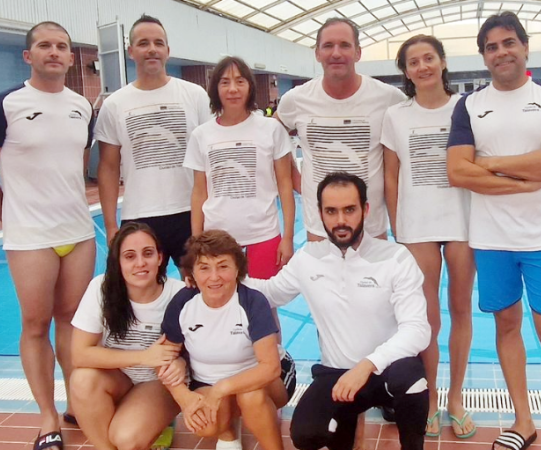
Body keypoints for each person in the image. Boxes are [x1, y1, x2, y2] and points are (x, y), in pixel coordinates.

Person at [447, 12, 541, 450]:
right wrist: (526, 177)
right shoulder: (469, 105)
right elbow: (457, 171)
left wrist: (488, 164)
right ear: (484, 56)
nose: (501, 52)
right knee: (506, 326)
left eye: (508, 43)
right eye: (491, 47)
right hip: (492, 240)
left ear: (525, 47)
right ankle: (524, 422)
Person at [0, 21, 96, 449]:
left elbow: (75, 165)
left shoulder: (82, 106)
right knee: (36, 324)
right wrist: (10, 215)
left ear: (71, 57)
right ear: (28, 55)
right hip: (30, 237)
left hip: (77, 231)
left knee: (73, 320)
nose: (53, 52)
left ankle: (78, 402)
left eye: (61, 46)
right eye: (44, 45)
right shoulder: (2, 106)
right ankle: (47, 416)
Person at [246, 172, 431, 450]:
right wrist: (222, 277)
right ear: (320, 213)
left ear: (365, 210)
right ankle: (345, 433)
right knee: (306, 434)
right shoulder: (308, 258)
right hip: (336, 374)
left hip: (387, 371)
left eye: (349, 210)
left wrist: (367, 365)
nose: (341, 220)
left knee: (412, 381)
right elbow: (271, 293)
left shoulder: (395, 258)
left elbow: (417, 330)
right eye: (331, 211)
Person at [381, 35, 475, 440]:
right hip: (416, 225)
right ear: (406, 71)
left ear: (442, 62)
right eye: (413, 62)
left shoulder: (466, 107)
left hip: (462, 221)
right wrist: (397, 226)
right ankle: (432, 396)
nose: (422, 67)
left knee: (461, 310)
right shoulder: (396, 115)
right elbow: (391, 175)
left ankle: (456, 397)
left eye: (429, 58)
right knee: (427, 318)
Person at [161, 230, 295, 450]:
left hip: (266, 380)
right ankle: (228, 429)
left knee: (250, 396)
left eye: (223, 266)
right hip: (207, 381)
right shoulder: (183, 302)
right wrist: (183, 397)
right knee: (205, 423)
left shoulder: (252, 301)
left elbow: (270, 368)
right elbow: (164, 357)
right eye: (204, 268)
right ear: (192, 272)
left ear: (237, 269)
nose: (214, 277)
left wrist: (221, 389)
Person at [95, 14, 211, 269]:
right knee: (142, 288)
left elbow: (209, 157)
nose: (152, 49)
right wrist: (111, 225)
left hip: (189, 211)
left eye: (158, 43)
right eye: (143, 43)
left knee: (197, 284)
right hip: (139, 215)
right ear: (131, 51)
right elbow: (108, 168)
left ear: (167, 51)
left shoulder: (195, 95)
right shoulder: (114, 104)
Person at [275, 17, 406, 242]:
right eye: (328, 46)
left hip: (370, 226)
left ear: (358, 52)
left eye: (345, 45)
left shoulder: (388, 97)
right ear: (317, 53)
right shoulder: (297, 99)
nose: (336, 53)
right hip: (319, 227)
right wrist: (297, 180)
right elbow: (271, 136)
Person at [70, 222, 185, 450]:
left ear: (160, 258)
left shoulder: (179, 294)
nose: (140, 263)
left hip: (160, 383)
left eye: (148, 253)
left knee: (126, 439)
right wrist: (143, 357)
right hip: (120, 378)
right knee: (82, 380)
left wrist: (181, 363)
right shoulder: (101, 288)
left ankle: (157, 420)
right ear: (118, 262)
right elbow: (79, 354)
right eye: (130, 256)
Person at [185, 56, 295, 280]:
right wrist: (196, 242)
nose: (233, 89)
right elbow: (199, 192)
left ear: (250, 86)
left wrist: (288, 237)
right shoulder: (201, 135)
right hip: (215, 238)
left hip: (263, 235)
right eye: (225, 82)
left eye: (240, 81)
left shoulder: (271, 129)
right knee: (221, 298)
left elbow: (285, 185)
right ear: (215, 89)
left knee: (264, 299)